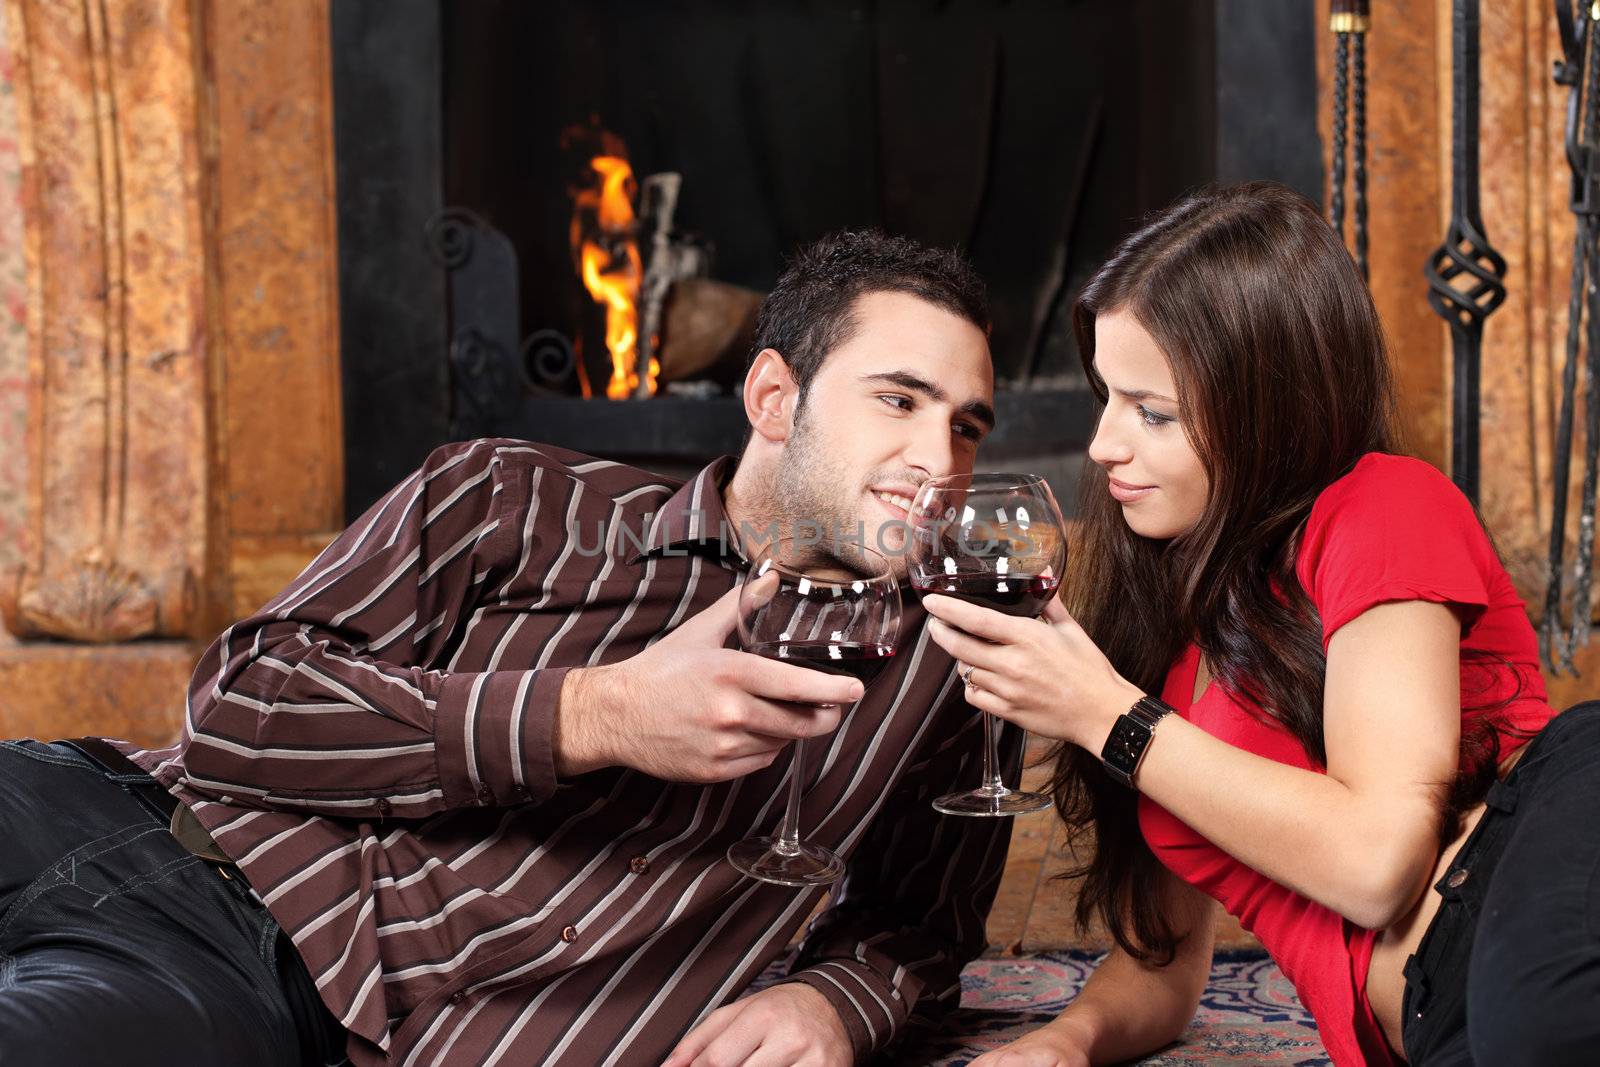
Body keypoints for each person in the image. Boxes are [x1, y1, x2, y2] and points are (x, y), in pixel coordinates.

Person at [0, 230, 1019, 1066]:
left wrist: (835, 999)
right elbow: (236, 709)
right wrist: (594, 711)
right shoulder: (510, 497)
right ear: (771, 398)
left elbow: (920, 923)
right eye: (897, 400)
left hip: (250, 974)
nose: (938, 462)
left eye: (966, 425)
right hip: (100, 799)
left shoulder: (955, 656)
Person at [922, 182, 1600, 1067]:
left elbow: (1377, 865)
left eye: (1152, 412)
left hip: (1538, 859)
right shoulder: (1166, 633)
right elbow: (1157, 969)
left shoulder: (1381, 506)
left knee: (1538, 1028)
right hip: (1448, 1022)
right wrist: (1064, 1044)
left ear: (1267, 409)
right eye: (1107, 397)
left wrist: (1104, 715)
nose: (1103, 444)